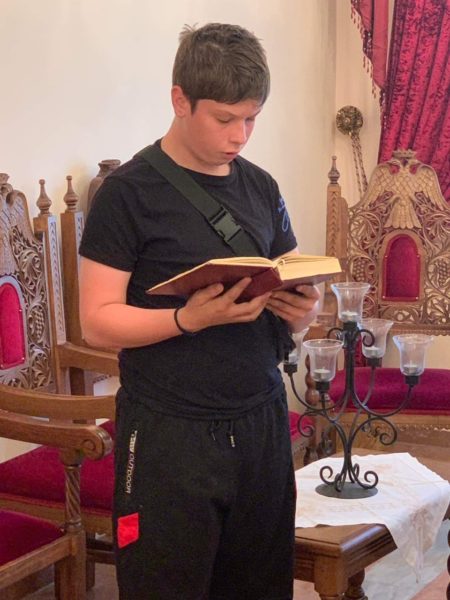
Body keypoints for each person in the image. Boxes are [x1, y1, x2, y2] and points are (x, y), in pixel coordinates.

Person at [79, 22, 320, 600]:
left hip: (260, 420)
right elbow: (96, 321)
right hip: (169, 432)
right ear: (180, 100)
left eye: (252, 119)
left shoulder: (261, 187)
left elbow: (290, 285)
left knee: (261, 586)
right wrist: (187, 319)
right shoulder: (127, 194)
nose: (240, 135)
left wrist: (303, 312)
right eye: (224, 118)